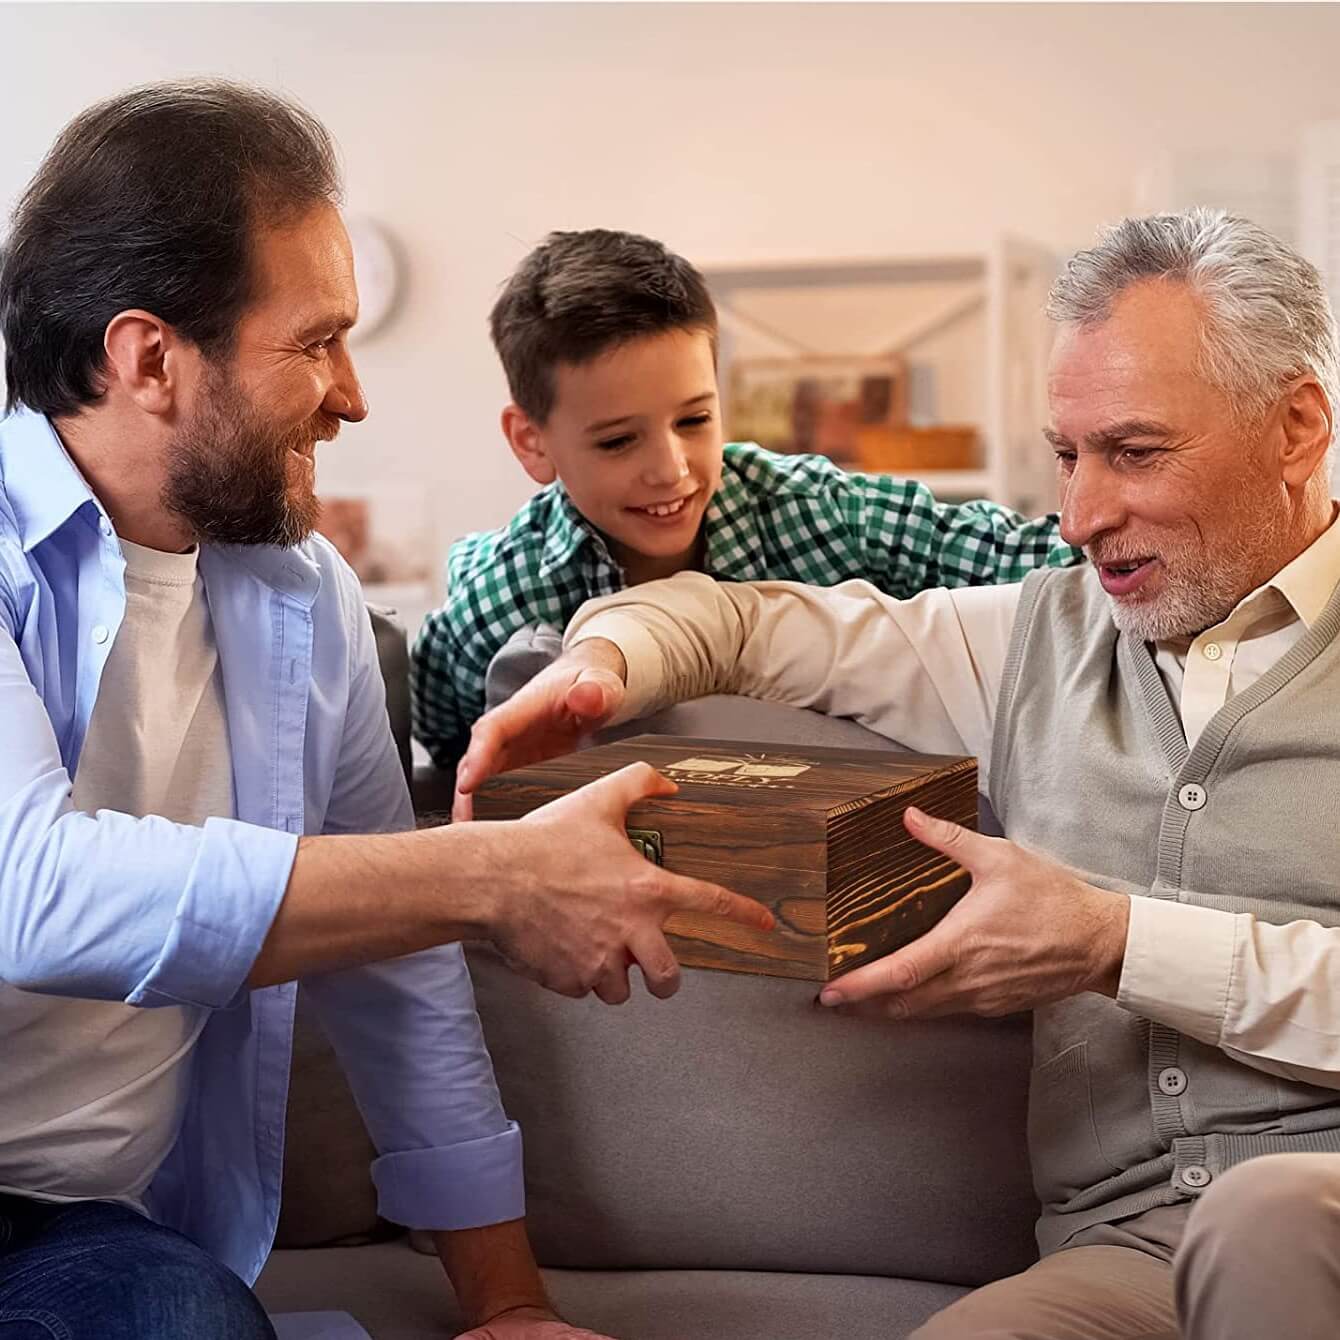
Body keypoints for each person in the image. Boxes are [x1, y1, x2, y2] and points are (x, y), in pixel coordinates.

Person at [455, 208, 1340, 1340]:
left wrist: (1116, 939)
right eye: (1065, 456)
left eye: (1132, 451)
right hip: (1123, 1253)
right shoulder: (1038, 633)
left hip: (1312, 1216)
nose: (1077, 516)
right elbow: (740, 621)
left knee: (1266, 1216)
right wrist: (596, 668)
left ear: (1294, 426)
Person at [0, 80, 772, 1340]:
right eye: (314, 342)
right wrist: (491, 870)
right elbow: (27, 892)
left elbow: (395, 962)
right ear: (149, 358)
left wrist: (507, 1305)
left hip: (82, 1235)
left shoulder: (300, 593)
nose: (353, 395)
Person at [409, 228, 1079, 771]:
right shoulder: (498, 595)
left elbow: (1037, 558)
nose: (670, 470)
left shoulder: (814, 511)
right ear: (532, 443)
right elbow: (438, 751)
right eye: (618, 442)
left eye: (695, 421)